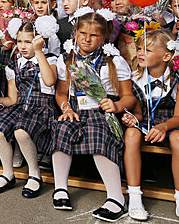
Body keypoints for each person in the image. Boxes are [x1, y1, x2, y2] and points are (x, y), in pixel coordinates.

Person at [52, 11, 136, 221]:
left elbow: (129, 98)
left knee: (97, 134)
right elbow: (61, 92)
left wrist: (116, 106)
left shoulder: (113, 61)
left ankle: (116, 198)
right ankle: (60, 188)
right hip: (75, 109)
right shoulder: (67, 58)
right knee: (62, 128)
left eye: (94, 36)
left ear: (104, 37)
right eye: (82, 33)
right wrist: (66, 109)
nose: (87, 39)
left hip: (102, 111)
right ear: (75, 33)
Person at [0, 23, 57, 198]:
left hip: (41, 106)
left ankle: (34, 174)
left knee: (21, 132)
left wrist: (39, 52)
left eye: (28, 41)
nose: (23, 46)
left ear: (39, 41)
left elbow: (49, 82)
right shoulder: (14, 65)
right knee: (0, 130)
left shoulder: (50, 59)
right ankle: (8, 174)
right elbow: (12, 99)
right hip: (21, 105)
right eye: (19, 41)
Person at [123, 29, 179, 220]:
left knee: (178, 139)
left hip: (171, 124)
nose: (140, 53)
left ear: (166, 56)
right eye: (139, 48)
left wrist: (164, 127)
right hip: (146, 123)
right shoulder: (136, 78)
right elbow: (138, 112)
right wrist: (133, 119)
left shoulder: (176, 80)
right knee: (131, 134)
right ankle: (135, 197)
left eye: (147, 50)